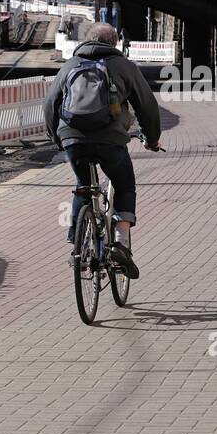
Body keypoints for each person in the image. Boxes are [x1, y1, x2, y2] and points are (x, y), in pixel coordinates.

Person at [42, 22, 162, 279]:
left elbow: (51, 104)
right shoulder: (123, 66)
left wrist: (58, 139)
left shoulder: (70, 66)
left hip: (73, 139)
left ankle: (78, 247)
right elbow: (147, 106)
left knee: (83, 185)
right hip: (111, 140)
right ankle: (120, 242)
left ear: (87, 40)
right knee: (124, 184)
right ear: (115, 43)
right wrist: (152, 139)